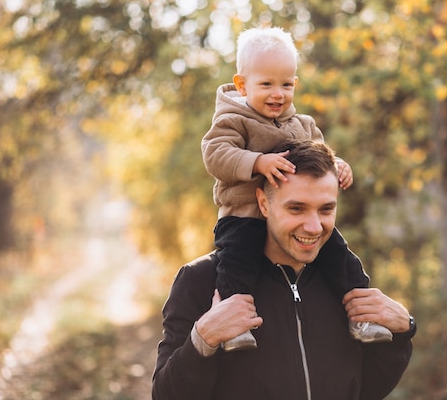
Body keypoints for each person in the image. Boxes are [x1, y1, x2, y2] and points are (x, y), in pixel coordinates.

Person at [153, 139, 415, 400]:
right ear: (264, 204)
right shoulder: (200, 280)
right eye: (296, 208)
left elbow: (366, 389)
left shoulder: (344, 282)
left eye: (326, 209)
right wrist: (203, 339)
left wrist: (402, 333)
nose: (314, 227)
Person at [201, 27, 391, 350]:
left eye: (286, 85)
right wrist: (257, 162)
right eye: (266, 84)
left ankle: (362, 315)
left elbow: (319, 154)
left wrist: (337, 164)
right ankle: (234, 325)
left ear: (295, 84)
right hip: (243, 214)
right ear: (242, 84)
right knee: (237, 265)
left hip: (294, 219)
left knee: (340, 256)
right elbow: (215, 154)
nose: (278, 94)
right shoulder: (233, 120)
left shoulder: (302, 125)